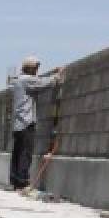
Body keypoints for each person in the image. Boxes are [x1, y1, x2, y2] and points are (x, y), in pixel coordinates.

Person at [10, 56, 64, 191]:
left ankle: (16, 181)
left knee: (17, 153)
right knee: (25, 153)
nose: (37, 70)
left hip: (18, 124)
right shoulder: (27, 80)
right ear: (30, 68)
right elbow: (43, 83)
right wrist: (57, 75)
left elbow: (38, 80)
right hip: (26, 122)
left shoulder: (18, 80)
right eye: (35, 68)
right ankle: (23, 182)